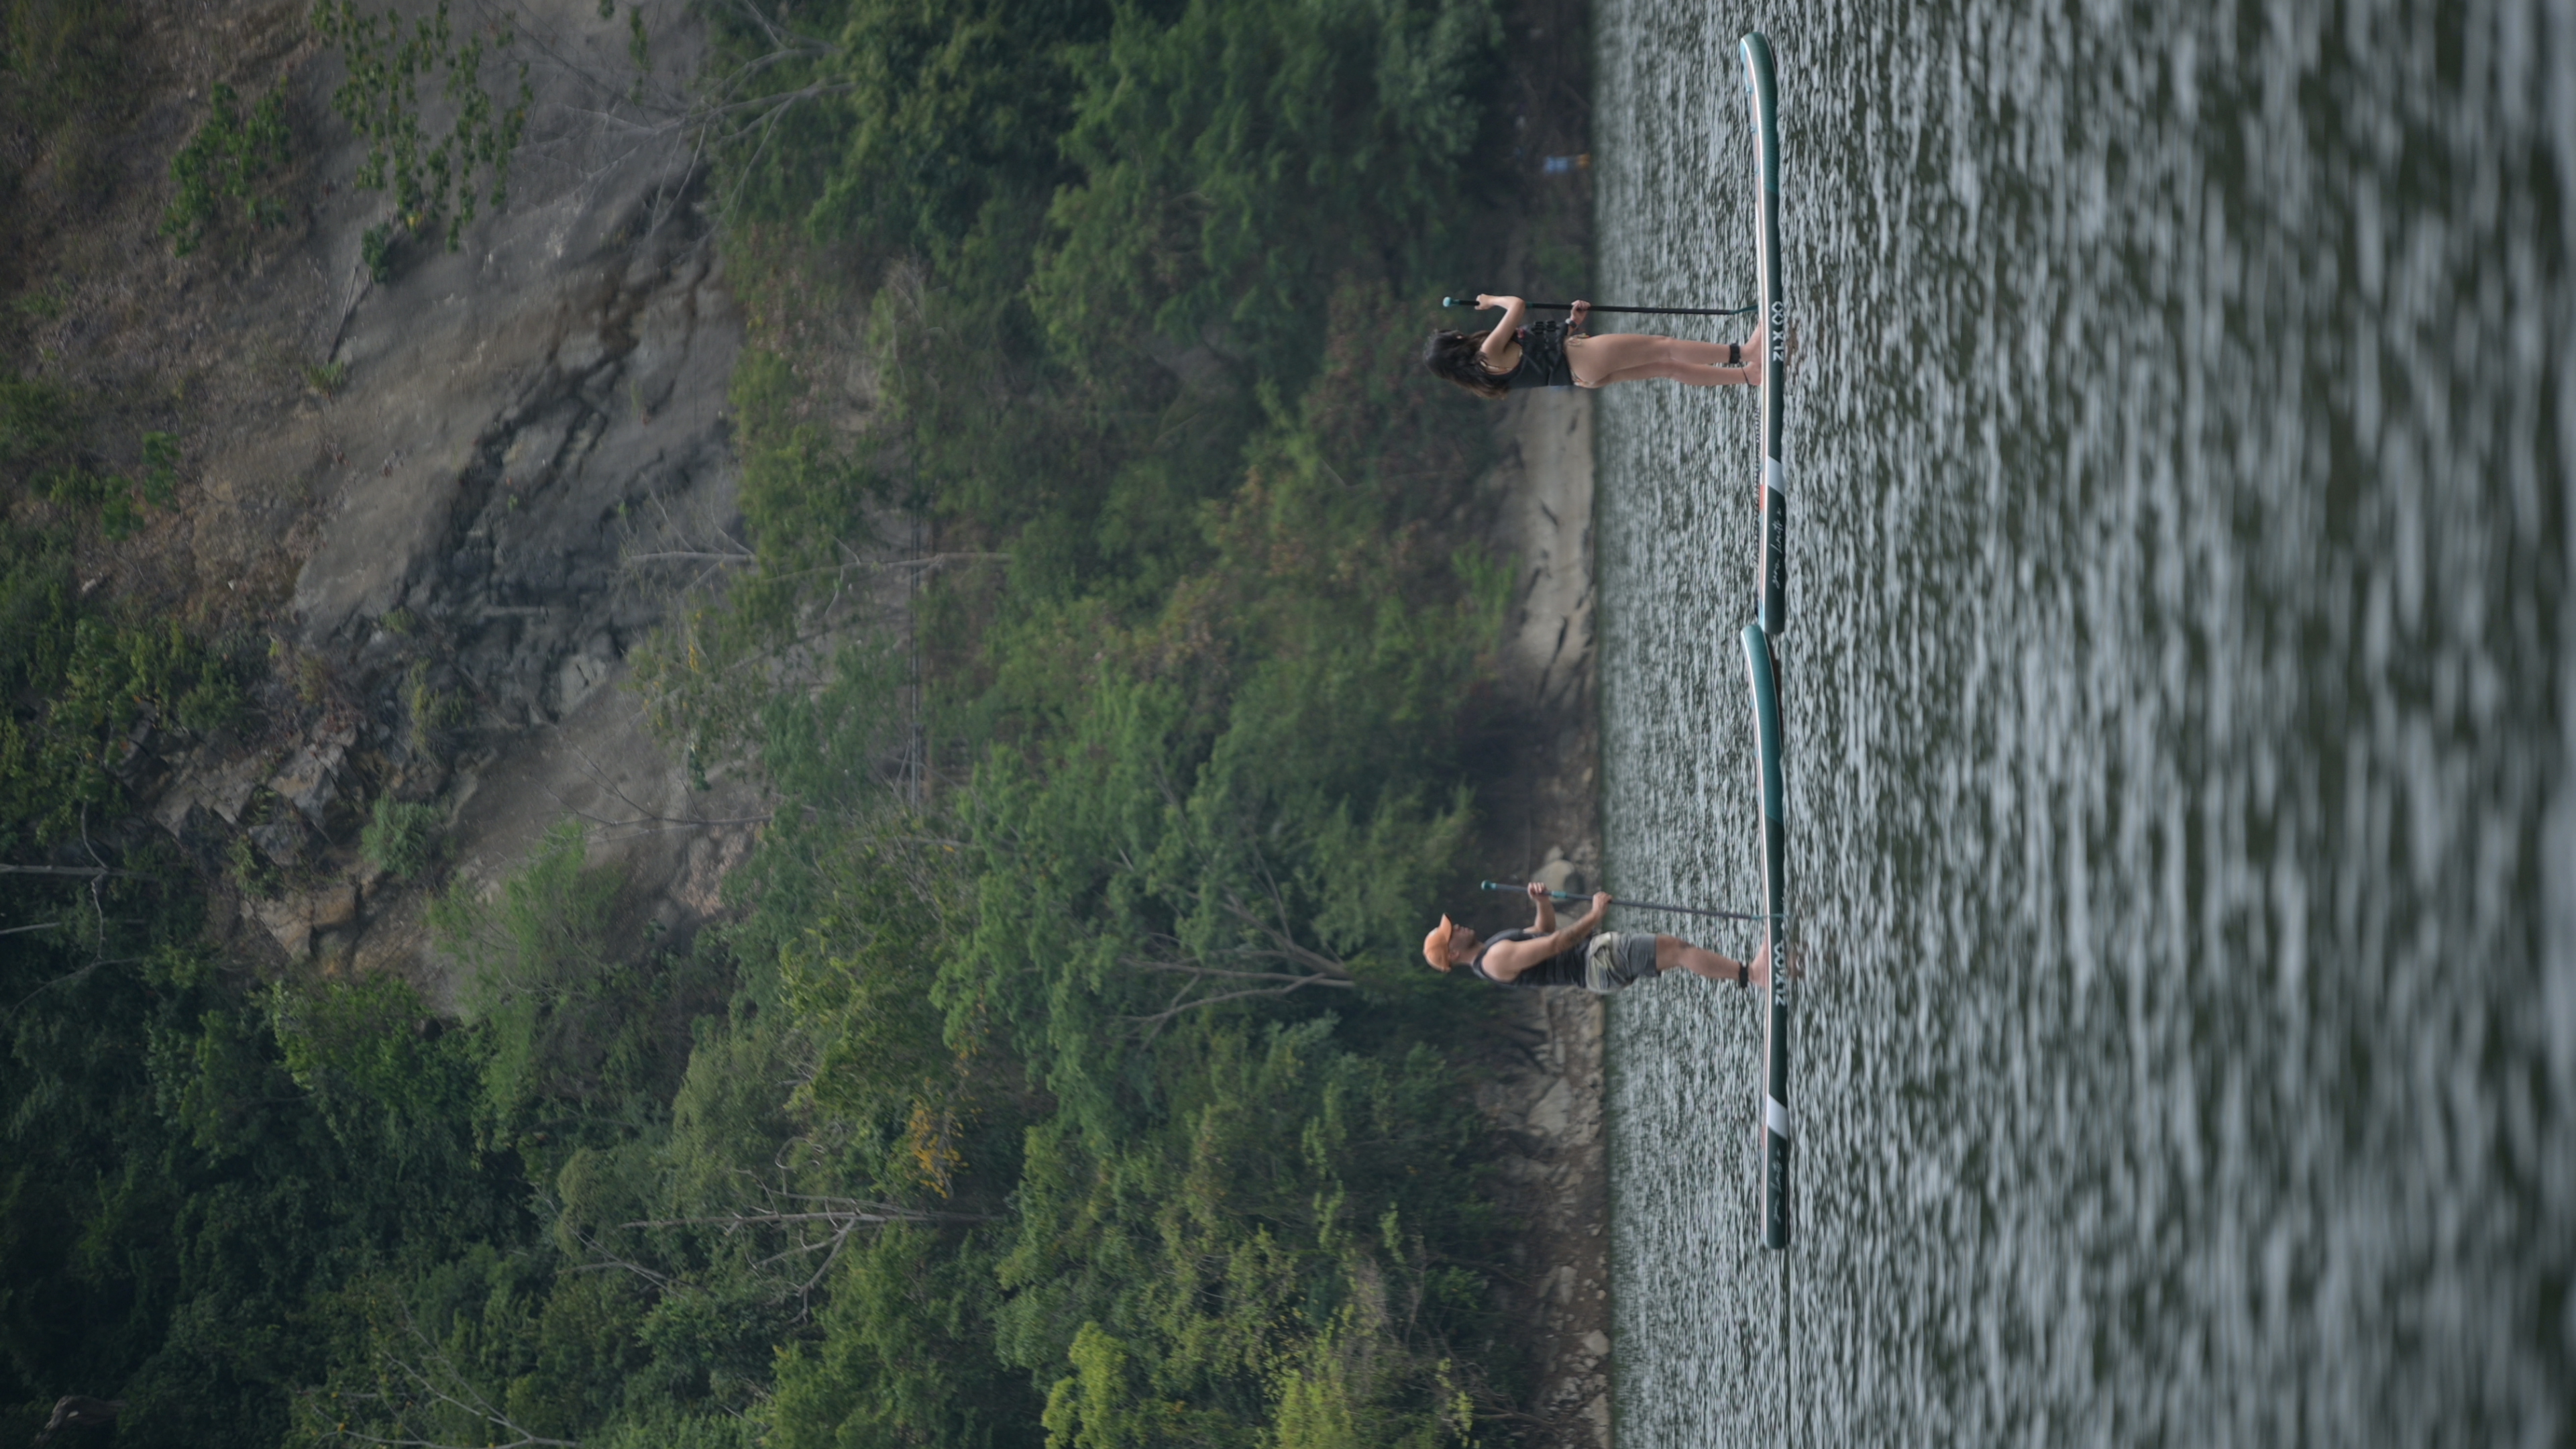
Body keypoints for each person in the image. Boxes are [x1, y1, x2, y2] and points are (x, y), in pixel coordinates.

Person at [1421, 881, 1788, 995]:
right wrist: (1595, 915)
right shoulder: (1495, 958)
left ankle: (1777, 970)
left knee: (1675, 951)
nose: (1460, 927)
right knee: (1677, 950)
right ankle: (1754, 974)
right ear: (1452, 954)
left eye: (1453, 925)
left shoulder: (1493, 948)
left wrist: (1542, 902)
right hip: (1594, 960)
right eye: (1453, 933)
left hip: (1595, 963)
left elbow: (1543, 932)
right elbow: (1556, 945)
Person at [1420, 293, 1770, 397]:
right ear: (1456, 344)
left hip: (1582, 376)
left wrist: (1571, 323)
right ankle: (1746, 353)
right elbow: (1518, 306)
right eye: (1455, 336)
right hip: (1582, 359)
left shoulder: (1483, 378)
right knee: (1664, 347)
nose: (1461, 334)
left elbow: (1540, 356)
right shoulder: (1487, 353)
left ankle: (1749, 376)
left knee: (1667, 367)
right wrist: (1491, 301)